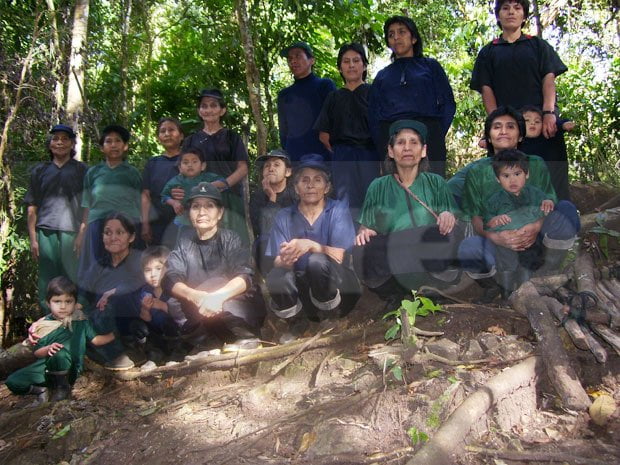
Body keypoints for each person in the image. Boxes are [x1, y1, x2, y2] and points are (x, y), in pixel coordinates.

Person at [457, 107, 580, 301]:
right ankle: (495, 286)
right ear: (488, 137)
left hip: (536, 241)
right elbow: (475, 217)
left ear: (520, 136)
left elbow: (550, 205)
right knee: (469, 248)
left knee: (566, 211)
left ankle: (545, 274)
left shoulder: (536, 164)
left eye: (510, 126)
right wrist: (496, 237)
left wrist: (535, 226)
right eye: (497, 127)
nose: (504, 131)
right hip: (496, 242)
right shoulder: (477, 171)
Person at [470, 0, 571, 198]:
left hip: (540, 121)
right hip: (509, 126)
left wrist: (549, 113)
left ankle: (560, 218)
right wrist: (496, 123)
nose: (511, 13)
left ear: (524, 15)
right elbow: (486, 88)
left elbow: (549, 79)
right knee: (508, 174)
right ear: (498, 15)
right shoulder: (489, 52)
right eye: (505, 8)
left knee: (552, 172)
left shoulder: (537, 45)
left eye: (517, 8)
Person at [354, 120, 460, 304]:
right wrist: (365, 233)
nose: (407, 148)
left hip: (427, 254)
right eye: (401, 142)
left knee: (441, 236)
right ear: (390, 151)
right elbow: (365, 228)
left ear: (424, 150)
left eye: (414, 142)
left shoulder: (436, 183)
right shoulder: (378, 186)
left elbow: (453, 223)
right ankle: (395, 296)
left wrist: (448, 216)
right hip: (395, 256)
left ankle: (433, 290)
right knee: (362, 250)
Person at [265, 154, 361, 343]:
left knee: (316, 262)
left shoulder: (337, 210)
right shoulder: (285, 215)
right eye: (304, 180)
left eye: (317, 180)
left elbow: (341, 255)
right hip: (303, 290)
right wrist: (285, 259)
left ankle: (331, 317)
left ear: (327, 188)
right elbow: (275, 258)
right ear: (296, 188)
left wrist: (311, 246)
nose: (310, 185)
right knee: (276, 275)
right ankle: (297, 322)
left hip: (339, 289)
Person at [163, 182, 265, 352]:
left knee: (217, 282)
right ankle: (204, 343)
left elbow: (244, 276)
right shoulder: (184, 242)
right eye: (196, 207)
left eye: (209, 206)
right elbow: (170, 277)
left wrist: (216, 297)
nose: (202, 212)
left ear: (220, 213)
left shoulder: (231, 239)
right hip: (204, 314)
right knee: (173, 299)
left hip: (233, 311)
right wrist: (194, 295)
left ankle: (247, 338)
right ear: (189, 213)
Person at [368, 15, 456, 176]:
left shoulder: (430, 67)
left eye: (401, 32)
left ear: (413, 38)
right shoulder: (382, 75)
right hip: (392, 137)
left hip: (428, 135)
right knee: (396, 192)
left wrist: (433, 134)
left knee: (430, 189)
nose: (396, 37)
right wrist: (384, 144)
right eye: (391, 34)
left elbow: (448, 103)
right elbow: (373, 113)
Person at [6, 277, 115, 403]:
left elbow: (96, 340)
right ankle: (40, 390)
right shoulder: (44, 326)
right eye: (57, 302)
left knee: (60, 353)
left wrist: (115, 335)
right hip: (46, 367)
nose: (63, 306)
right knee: (13, 381)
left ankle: (62, 389)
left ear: (75, 303)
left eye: (68, 302)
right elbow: (37, 352)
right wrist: (47, 349)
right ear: (48, 303)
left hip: (71, 369)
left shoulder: (80, 320)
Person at [24, 124, 87, 312]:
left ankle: (75, 322)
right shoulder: (39, 171)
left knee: (72, 276)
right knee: (47, 278)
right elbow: (31, 207)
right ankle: (49, 322)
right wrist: (33, 239)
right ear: (50, 144)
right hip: (45, 231)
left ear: (72, 144)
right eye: (55, 138)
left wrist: (82, 233)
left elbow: (87, 205)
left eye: (65, 139)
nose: (59, 142)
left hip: (72, 231)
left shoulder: (81, 170)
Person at [314, 43, 379, 216]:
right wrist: (342, 152)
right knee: (345, 204)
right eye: (346, 61)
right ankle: (347, 242)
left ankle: (372, 241)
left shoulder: (374, 93)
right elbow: (323, 134)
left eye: (356, 61)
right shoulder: (334, 97)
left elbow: (383, 128)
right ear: (340, 67)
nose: (351, 65)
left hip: (370, 156)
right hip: (342, 157)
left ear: (364, 66)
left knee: (372, 200)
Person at [482, 149, 557, 296]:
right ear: (498, 179)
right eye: (506, 176)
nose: (513, 180)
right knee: (507, 267)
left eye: (517, 174)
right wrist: (494, 221)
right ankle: (506, 296)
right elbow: (486, 223)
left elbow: (548, 213)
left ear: (527, 174)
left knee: (527, 267)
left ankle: (525, 295)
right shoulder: (494, 200)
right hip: (506, 244)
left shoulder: (535, 194)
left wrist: (548, 203)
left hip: (530, 242)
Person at [182, 88, 249, 243]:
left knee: (233, 242)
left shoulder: (232, 137)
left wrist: (223, 184)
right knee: (201, 243)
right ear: (199, 111)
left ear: (222, 110)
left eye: (213, 105)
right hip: (199, 199)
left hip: (229, 198)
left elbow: (243, 168)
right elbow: (184, 170)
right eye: (204, 106)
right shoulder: (191, 141)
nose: (208, 110)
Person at [79, 213, 144, 370]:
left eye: (119, 232)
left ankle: (130, 351)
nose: (113, 237)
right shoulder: (99, 265)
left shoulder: (140, 260)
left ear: (131, 237)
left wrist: (114, 291)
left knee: (116, 301)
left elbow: (143, 283)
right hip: (101, 320)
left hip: (135, 319)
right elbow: (82, 292)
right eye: (107, 233)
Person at [76, 125, 142, 275]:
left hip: (125, 225)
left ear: (125, 146)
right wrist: (82, 232)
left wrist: (141, 228)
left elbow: (140, 203)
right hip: (97, 224)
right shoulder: (93, 173)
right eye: (108, 141)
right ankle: (91, 299)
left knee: (126, 268)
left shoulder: (132, 173)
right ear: (101, 147)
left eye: (118, 141)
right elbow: (87, 204)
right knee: (94, 267)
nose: (113, 145)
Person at [277, 42, 337, 162]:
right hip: (294, 156)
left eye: (298, 56)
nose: (293, 61)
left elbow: (334, 119)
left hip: (323, 155)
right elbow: (283, 131)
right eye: (290, 59)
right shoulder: (284, 94)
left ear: (311, 60)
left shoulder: (325, 85)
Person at [249, 149, 296, 274]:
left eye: (276, 165)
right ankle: (282, 265)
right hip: (269, 251)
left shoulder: (296, 195)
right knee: (263, 243)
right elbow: (262, 229)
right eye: (267, 166)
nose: (271, 168)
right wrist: (272, 199)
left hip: (294, 244)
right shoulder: (257, 197)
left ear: (288, 172)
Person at [135, 246, 186, 361]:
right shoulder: (146, 291)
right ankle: (156, 352)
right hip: (158, 332)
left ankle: (178, 351)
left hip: (179, 331)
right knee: (140, 326)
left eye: (158, 268)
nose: (153, 274)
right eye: (148, 270)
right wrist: (145, 309)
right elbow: (146, 319)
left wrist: (161, 305)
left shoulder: (174, 288)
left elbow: (183, 315)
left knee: (168, 322)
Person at [160, 148, 226, 235]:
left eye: (194, 162)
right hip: (185, 220)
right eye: (185, 162)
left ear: (203, 166)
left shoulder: (208, 177)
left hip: (207, 218)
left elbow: (224, 183)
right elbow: (164, 196)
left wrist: (213, 185)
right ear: (180, 168)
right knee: (185, 242)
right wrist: (174, 203)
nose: (190, 165)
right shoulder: (176, 180)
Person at [141, 117, 184, 248]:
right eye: (162, 131)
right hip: (157, 223)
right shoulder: (153, 163)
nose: (167, 134)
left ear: (181, 136)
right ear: (158, 137)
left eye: (171, 130)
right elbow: (145, 195)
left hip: (183, 222)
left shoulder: (189, 160)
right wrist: (145, 224)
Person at [520, 105, 575, 200]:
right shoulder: (515, 143)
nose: (532, 123)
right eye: (527, 120)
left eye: (537, 121)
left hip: (554, 191)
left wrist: (565, 124)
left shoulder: (548, 137)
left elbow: (557, 124)